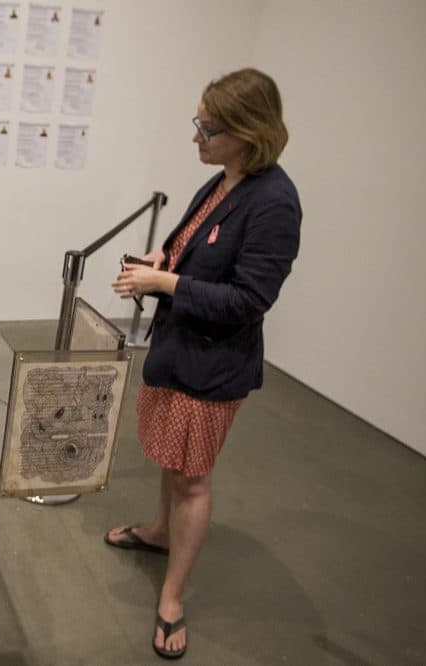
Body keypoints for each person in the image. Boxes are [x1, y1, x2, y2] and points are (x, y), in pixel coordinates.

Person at [105, 68, 301, 660]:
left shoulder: (274, 203)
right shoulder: (223, 182)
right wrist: (159, 259)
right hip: (180, 349)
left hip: (213, 366)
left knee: (192, 477)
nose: (197, 136)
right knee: (172, 457)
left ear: (246, 131)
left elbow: (249, 301)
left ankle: (171, 600)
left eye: (207, 127)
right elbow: (188, 247)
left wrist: (164, 279)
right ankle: (160, 533)